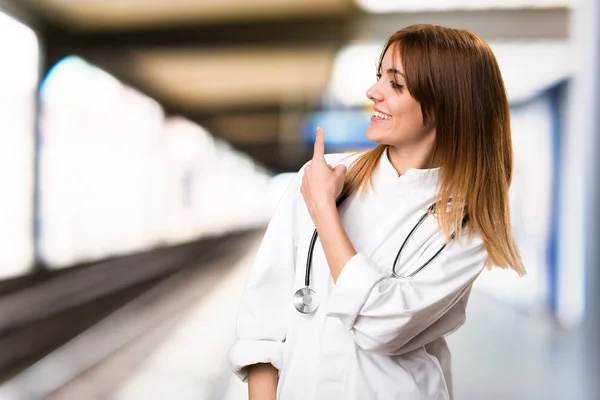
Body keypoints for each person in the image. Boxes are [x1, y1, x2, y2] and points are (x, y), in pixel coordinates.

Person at [228, 24, 526, 400]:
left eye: (396, 84)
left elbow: (380, 326)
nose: (373, 93)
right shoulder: (320, 176)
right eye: (378, 77)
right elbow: (262, 325)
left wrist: (325, 214)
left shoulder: (466, 229)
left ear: (443, 105)